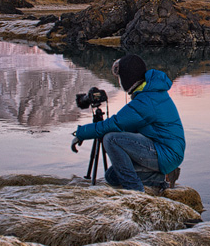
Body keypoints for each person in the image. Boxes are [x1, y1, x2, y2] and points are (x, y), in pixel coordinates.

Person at [71, 54, 184, 192]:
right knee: (112, 176)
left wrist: (82, 133)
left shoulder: (146, 100)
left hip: (166, 152)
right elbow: (126, 125)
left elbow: (115, 123)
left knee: (111, 139)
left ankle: (135, 190)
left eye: (120, 78)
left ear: (127, 78)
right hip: (164, 149)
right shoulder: (149, 92)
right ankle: (162, 177)